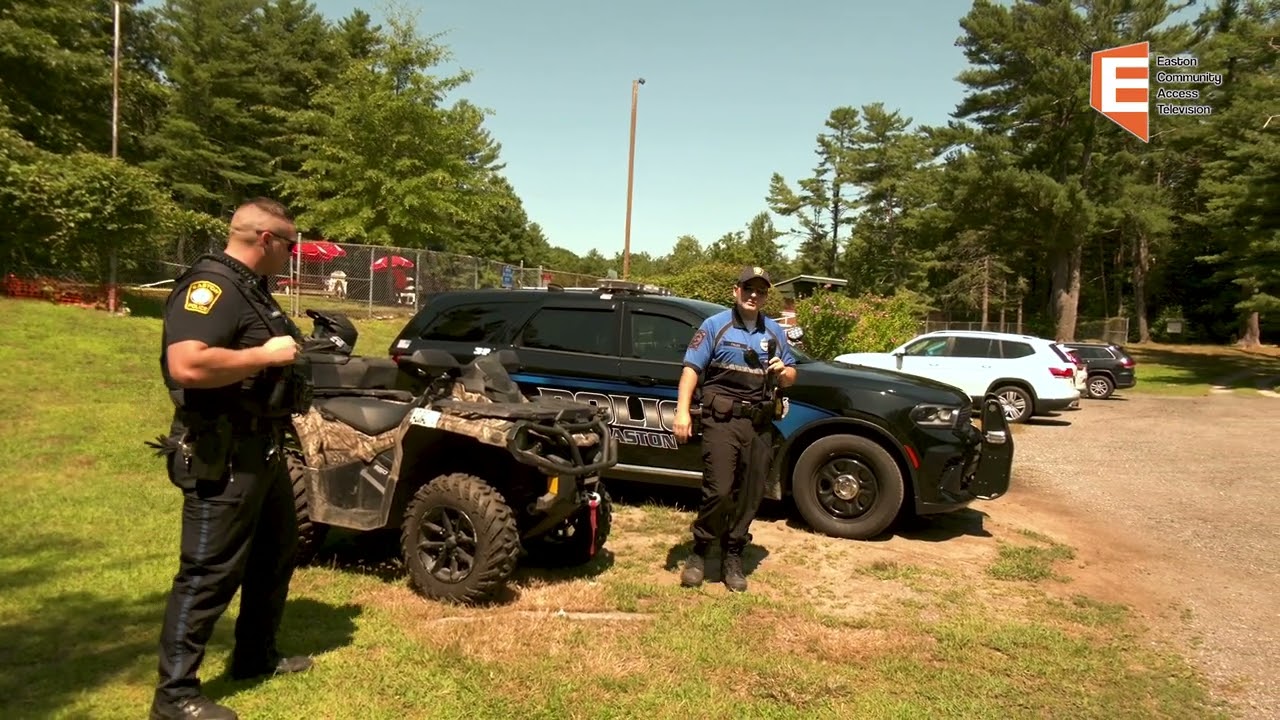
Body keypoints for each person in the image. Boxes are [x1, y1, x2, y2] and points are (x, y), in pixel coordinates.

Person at [147, 198, 315, 720]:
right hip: (222, 454)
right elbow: (187, 365)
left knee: (276, 551)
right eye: (291, 245)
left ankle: (254, 656)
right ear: (266, 239)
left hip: (262, 449)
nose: (293, 254)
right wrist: (264, 355)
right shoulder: (212, 287)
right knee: (208, 574)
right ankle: (174, 697)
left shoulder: (250, 288)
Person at [672, 266, 797, 592]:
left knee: (751, 494)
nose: (753, 295)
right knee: (720, 490)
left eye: (760, 291)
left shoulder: (774, 332)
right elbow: (691, 370)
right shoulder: (715, 326)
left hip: (759, 424)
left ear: (766, 296)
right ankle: (700, 551)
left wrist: (783, 372)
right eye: (748, 288)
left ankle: (732, 554)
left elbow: (791, 376)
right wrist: (682, 411)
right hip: (722, 421)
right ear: (736, 291)